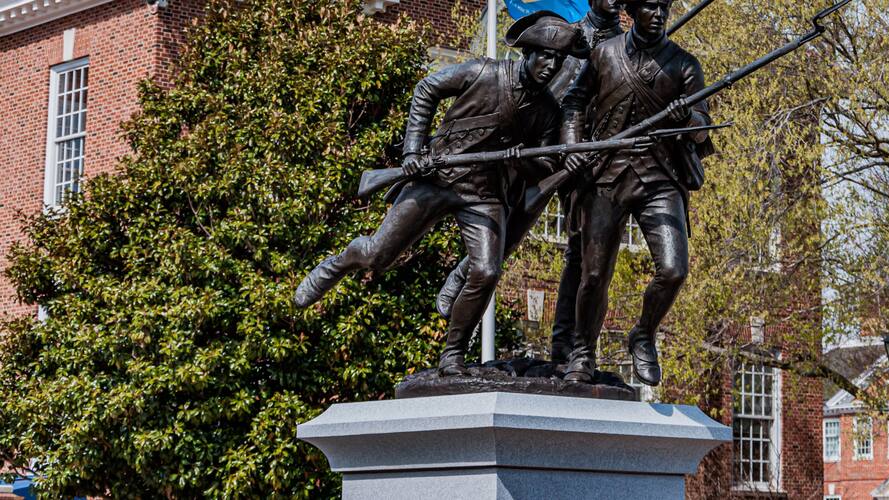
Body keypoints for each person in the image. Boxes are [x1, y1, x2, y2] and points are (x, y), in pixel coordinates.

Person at [292, 11, 586, 376]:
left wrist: (529, 160)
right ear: (528, 52)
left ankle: (453, 355)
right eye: (546, 55)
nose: (551, 65)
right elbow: (426, 89)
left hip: (484, 194)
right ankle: (344, 260)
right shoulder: (483, 72)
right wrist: (413, 151)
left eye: (559, 60)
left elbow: (540, 163)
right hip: (437, 179)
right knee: (377, 255)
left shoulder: (547, 112)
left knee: (486, 270)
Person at [435, 0, 625, 364]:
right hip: (540, 144)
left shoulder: (622, 45)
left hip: (586, 154)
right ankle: (461, 277)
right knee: (511, 225)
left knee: (581, 250)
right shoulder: (566, 33)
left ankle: (564, 348)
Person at [559, 0, 714, 385]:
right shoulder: (604, 54)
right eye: (649, 5)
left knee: (674, 269)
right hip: (606, 175)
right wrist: (574, 145)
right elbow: (574, 103)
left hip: (660, 178)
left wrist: (687, 118)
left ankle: (643, 334)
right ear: (632, 10)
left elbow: (703, 130)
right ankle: (582, 352)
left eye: (664, 6)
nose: (659, 13)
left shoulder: (684, 65)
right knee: (593, 275)